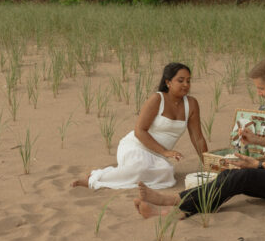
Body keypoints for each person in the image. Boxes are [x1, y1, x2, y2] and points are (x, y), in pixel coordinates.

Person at [135, 57, 265, 218]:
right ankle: (177, 202)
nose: (259, 93)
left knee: (245, 177)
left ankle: (174, 207)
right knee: (231, 174)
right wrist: (256, 140)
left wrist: (259, 166)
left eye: (261, 88)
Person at [72, 62, 209, 190]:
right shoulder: (157, 99)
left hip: (158, 156)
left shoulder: (191, 104)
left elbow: (197, 138)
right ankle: (95, 178)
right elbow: (139, 131)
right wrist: (165, 152)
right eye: (180, 80)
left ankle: (116, 172)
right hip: (135, 147)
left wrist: (209, 164)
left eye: (188, 80)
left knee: (167, 173)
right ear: (168, 82)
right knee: (140, 169)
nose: (186, 84)